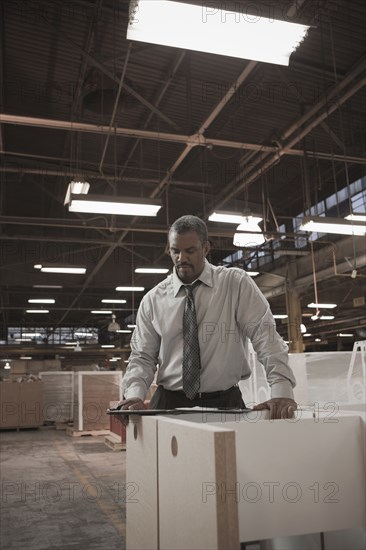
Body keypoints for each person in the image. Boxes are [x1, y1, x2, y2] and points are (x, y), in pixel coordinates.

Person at [120, 215, 297, 419]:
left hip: (225, 402)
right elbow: (142, 356)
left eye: (190, 251)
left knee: (231, 452)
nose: (181, 258)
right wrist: (134, 395)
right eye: (175, 251)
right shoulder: (153, 300)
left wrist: (281, 389)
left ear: (205, 248)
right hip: (169, 403)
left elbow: (266, 337)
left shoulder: (235, 284)